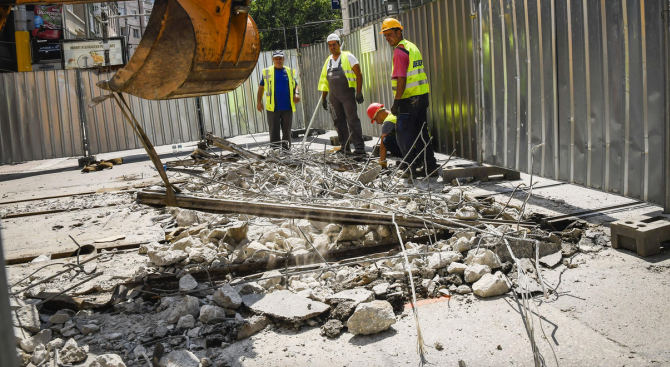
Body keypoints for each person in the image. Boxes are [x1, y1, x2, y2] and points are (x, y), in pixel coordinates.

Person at [380, 18, 438, 177]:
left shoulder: (400, 51)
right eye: (385, 36)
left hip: (408, 100)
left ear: (399, 32)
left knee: (403, 134)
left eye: (390, 34)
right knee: (421, 134)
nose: (388, 39)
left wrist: (396, 102)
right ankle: (430, 167)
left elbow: (401, 79)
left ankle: (409, 169)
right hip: (422, 97)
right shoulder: (411, 47)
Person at [317, 33, 366, 155]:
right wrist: (324, 97)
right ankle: (345, 148)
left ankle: (359, 149)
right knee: (338, 122)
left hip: (347, 95)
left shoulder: (348, 57)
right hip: (333, 98)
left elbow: (359, 74)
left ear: (339, 44)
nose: (332, 47)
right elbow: (324, 80)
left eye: (334, 44)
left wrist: (359, 92)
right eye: (330, 45)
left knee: (352, 121)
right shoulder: (328, 61)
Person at [257, 50, 300, 150]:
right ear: (273, 59)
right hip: (273, 108)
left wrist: (296, 93)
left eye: (280, 58)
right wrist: (259, 102)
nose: (278, 60)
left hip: (287, 107)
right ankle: (275, 152)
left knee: (287, 131)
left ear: (283, 59)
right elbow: (261, 88)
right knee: (274, 131)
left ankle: (286, 152)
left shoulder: (289, 71)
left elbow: (296, 84)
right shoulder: (267, 72)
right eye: (276, 59)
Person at [367, 102, 402, 168]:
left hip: (412, 147)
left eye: (376, 119)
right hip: (416, 145)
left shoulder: (388, 121)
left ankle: (410, 159)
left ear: (380, 114)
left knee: (386, 141)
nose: (377, 123)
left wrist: (382, 162)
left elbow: (383, 145)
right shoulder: (393, 115)